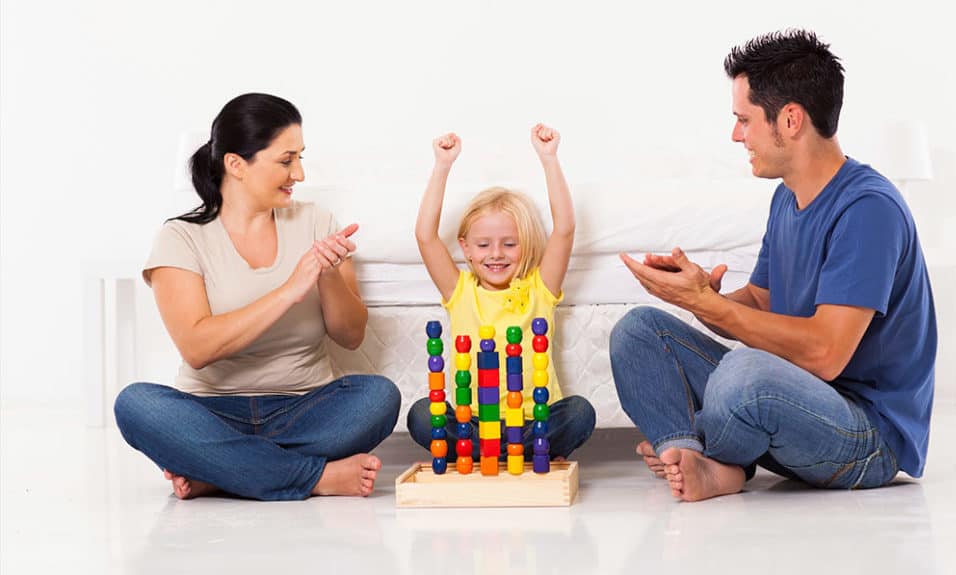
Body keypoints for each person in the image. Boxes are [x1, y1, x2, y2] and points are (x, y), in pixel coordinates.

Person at [611, 30, 937, 501]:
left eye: (744, 120)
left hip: (866, 435)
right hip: (792, 400)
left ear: (790, 120)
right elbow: (763, 300)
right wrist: (701, 297)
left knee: (743, 376)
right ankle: (690, 456)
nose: (736, 134)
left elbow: (826, 355)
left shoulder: (869, 209)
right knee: (638, 330)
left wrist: (714, 308)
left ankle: (720, 458)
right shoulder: (787, 198)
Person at [113, 93, 401, 501]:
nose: (298, 173)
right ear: (236, 164)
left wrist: (331, 273)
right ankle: (313, 478)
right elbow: (198, 347)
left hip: (304, 408)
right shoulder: (181, 237)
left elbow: (350, 335)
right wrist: (290, 290)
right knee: (137, 405)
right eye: (286, 160)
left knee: (377, 397)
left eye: (300, 157)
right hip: (211, 413)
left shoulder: (316, 221)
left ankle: (221, 473)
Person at [407, 125, 595, 462]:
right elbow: (425, 236)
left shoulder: (541, 288)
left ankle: (509, 452)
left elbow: (565, 228)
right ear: (464, 248)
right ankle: (505, 454)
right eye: (483, 245)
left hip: (532, 423)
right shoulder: (460, 291)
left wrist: (549, 160)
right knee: (422, 415)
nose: (496, 254)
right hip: (474, 425)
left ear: (527, 246)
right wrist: (442, 166)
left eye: (509, 244)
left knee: (580, 412)